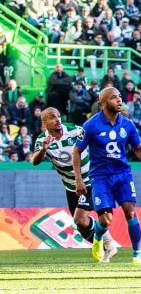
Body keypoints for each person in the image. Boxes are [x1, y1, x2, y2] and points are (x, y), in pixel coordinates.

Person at [73, 86, 141, 265]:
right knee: (106, 220)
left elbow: (138, 148)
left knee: (130, 211)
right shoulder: (91, 125)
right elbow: (76, 151)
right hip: (100, 177)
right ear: (104, 103)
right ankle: (98, 238)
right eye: (114, 98)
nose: (119, 100)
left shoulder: (127, 124)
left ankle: (137, 255)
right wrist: (78, 179)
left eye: (120, 97)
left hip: (122, 174)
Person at [31, 108, 116, 259]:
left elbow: (97, 140)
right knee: (81, 226)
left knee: (80, 219)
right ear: (44, 123)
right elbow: (35, 161)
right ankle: (106, 245)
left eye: (58, 116)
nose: (57, 120)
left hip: (90, 181)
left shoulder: (75, 131)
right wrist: (43, 149)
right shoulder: (42, 141)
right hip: (70, 187)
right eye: (52, 117)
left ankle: (109, 245)